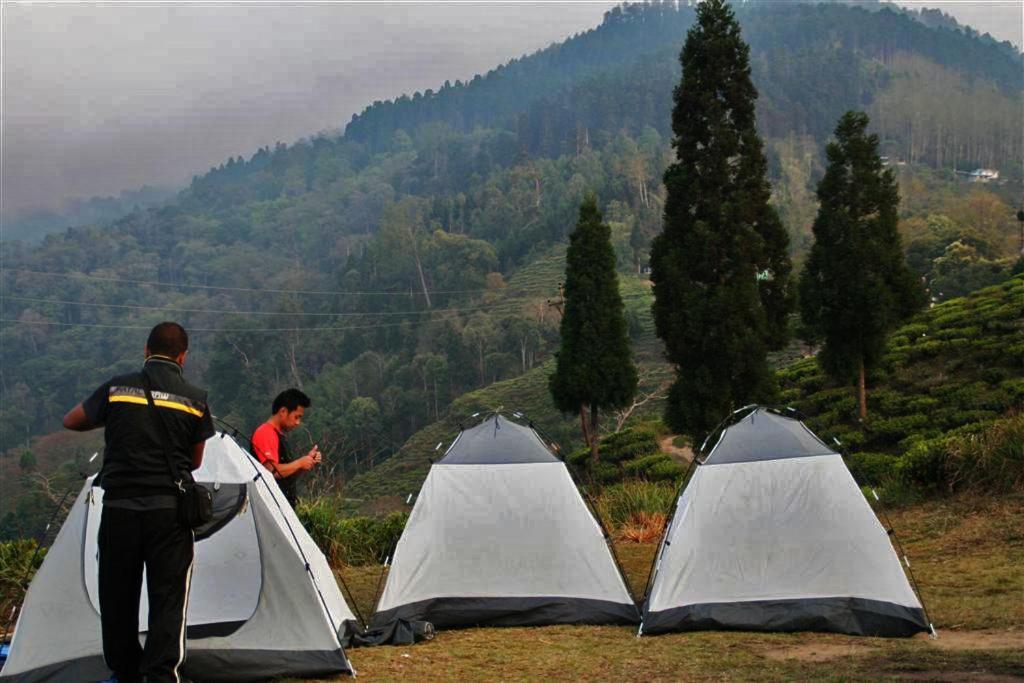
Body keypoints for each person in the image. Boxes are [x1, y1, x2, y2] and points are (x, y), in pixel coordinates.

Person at [63, 321, 214, 683]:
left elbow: (72, 420)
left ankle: (125, 671)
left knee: (117, 594)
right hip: (169, 513)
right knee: (168, 597)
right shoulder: (195, 398)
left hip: (120, 509)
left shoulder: (117, 388)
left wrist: (118, 424)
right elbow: (194, 462)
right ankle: (160, 674)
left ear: (146, 351)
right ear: (183, 356)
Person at [250, 388, 321, 506]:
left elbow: (285, 474)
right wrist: (299, 463)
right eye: (296, 417)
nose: (298, 422)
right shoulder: (265, 432)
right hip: (271, 506)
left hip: (283, 506)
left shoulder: (279, 435)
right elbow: (271, 471)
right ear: (283, 411)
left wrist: (306, 462)